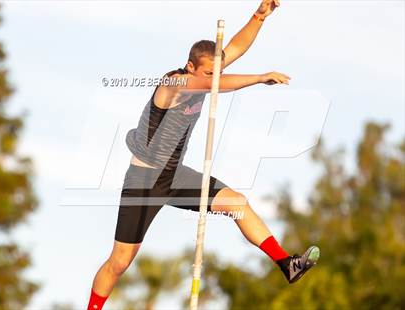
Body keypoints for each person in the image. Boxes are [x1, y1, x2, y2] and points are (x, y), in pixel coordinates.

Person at [87, 1, 319, 309]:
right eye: (209, 72)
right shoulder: (175, 83)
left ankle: (286, 264)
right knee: (120, 262)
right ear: (192, 66)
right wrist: (260, 77)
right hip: (144, 181)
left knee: (237, 203)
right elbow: (217, 83)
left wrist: (259, 17)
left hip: (175, 175)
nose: (214, 75)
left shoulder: (207, 73)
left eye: (217, 70)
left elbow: (235, 47)